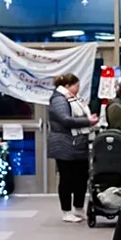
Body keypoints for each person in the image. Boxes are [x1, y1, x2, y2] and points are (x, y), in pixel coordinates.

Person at [46, 71, 93, 222]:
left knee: (81, 177)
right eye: (76, 86)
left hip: (78, 143)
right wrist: (87, 121)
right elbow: (65, 120)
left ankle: (79, 208)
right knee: (67, 178)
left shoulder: (73, 99)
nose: (78, 89)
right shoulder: (59, 99)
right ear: (67, 86)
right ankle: (66, 211)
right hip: (64, 144)